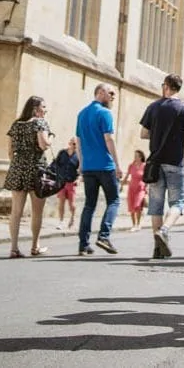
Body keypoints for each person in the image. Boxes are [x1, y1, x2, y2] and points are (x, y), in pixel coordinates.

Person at [140, 74, 184, 259]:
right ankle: (164, 230)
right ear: (178, 88)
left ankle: (157, 249)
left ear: (166, 86)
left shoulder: (153, 107)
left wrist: (157, 133)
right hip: (175, 162)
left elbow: (143, 133)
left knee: (155, 205)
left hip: (155, 163)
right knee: (178, 202)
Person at [3, 96, 52, 258]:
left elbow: (10, 151)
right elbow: (43, 144)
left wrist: (18, 164)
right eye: (43, 107)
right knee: (37, 211)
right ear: (36, 109)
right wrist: (50, 137)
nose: (45, 110)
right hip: (36, 168)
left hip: (17, 167)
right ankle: (35, 246)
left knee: (15, 211)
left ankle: (14, 248)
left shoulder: (15, 125)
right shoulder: (40, 123)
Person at [76, 84, 122, 255]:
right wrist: (117, 165)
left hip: (88, 167)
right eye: (110, 93)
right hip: (105, 166)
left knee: (89, 205)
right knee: (114, 201)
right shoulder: (105, 113)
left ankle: (83, 244)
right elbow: (109, 139)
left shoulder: (81, 114)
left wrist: (81, 164)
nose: (112, 97)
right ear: (100, 92)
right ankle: (104, 236)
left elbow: (79, 141)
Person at [54, 137, 80, 229]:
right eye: (72, 143)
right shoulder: (62, 153)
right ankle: (61, 221)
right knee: (61, 202)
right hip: (61, 182)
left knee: (72, 204)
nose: (73, 145)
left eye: (75, 144)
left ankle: (72, 218)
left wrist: (78, 179)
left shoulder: (78, 156)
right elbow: (56, 164)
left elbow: (81, 170)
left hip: (71, 182)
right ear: (69, 143)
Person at [122, 149, 147, 232]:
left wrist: (147, 188)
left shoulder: (145, 166)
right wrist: (122, 185)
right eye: (134, 155)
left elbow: (147, 178)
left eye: (137, 156)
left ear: (141, 157)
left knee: (137, 206)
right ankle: (133, 225)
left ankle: (138, 224)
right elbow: (127, 176)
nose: (135, 157)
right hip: (131, 188)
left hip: (141, 189)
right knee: (131, 206)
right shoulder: (131, 165)